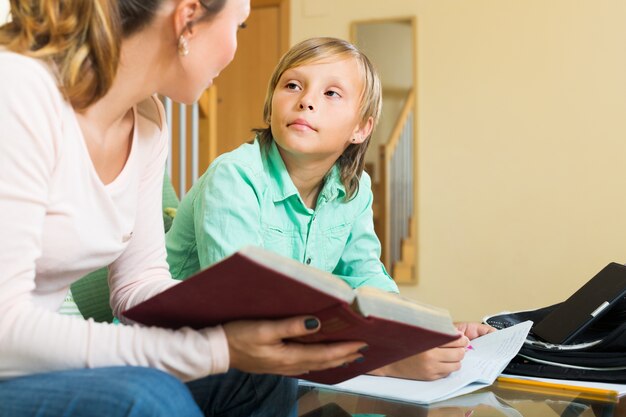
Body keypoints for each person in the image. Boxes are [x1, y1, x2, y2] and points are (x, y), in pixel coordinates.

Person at [0, 2, 368, 416]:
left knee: (259, 373)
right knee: (150, 398)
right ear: (188, 17)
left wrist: (259, 328)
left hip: (38, 365)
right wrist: (213, 349)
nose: (234, 49)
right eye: (239, 26)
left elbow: (137, 287)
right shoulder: (19, 89)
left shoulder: (147, 119)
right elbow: (6, 327)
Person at [165, 36, 494, 382]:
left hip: (262, 364)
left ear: (361, 128)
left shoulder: (354, 189)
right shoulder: (234, 177)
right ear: (270, 105)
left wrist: (426, 334)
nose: (306, 101)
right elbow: (243, 315)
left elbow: (366, 278)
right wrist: (384, 362)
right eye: (292, 85)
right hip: (176, 352)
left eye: (331, 93)